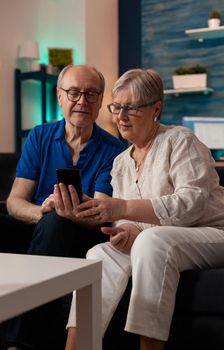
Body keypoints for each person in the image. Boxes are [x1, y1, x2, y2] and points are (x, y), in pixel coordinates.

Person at [64, 68, 224, 350]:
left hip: (219, 232)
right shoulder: (120, 162)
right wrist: (126, 230)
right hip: (164, 239)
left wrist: (123, 209)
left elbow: (190, 204)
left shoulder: (180, 141)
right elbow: (130, 221)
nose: (121, 116)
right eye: (117, 107)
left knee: (153, 242)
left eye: (131, 108)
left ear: (156, 108)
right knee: (99, 254)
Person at [2, 64, 125, 350]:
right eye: (73, 92)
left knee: (57, 223)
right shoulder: (40, 136)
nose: (82, 100)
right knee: (42, 222)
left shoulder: (114, 150)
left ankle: (19, 342)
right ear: (59, 97)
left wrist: (66, 213)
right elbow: (15, 201)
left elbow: (101, 214)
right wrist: (41, 211)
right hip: (37, 225)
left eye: (91, 94)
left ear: (100, 100)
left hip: (79, 234)